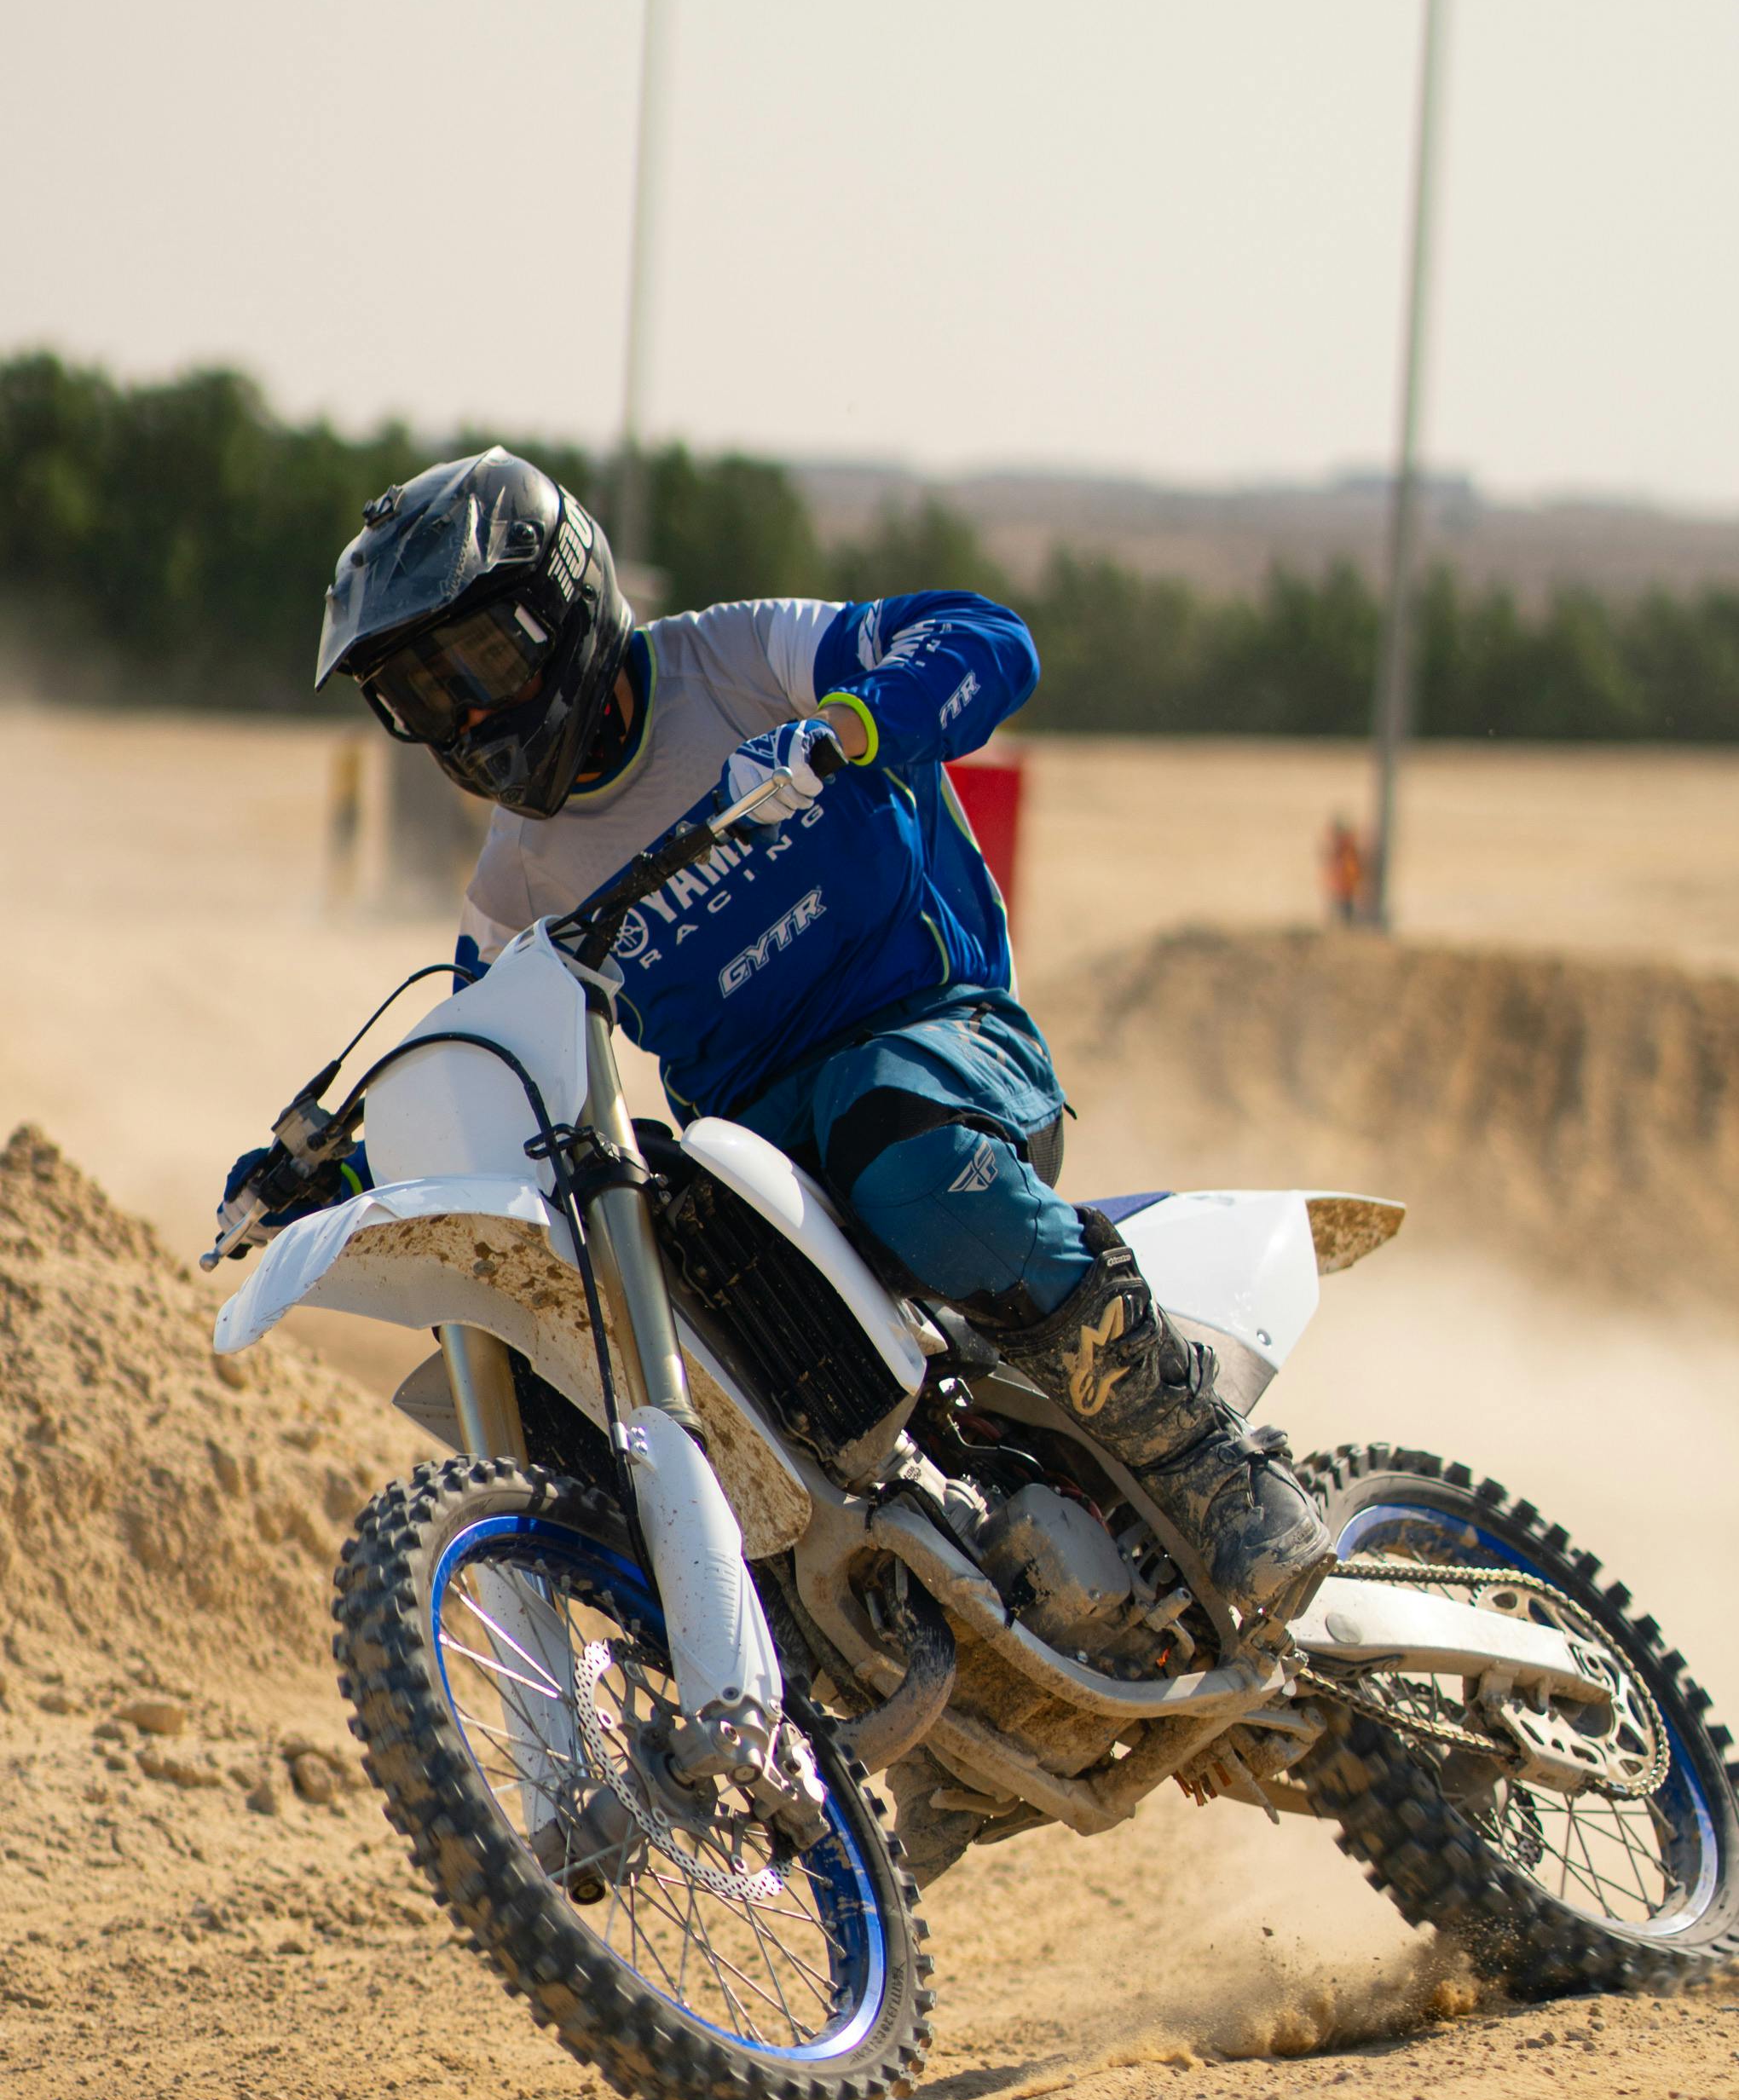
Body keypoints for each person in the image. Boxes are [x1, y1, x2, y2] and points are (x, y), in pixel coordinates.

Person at [311, 447, 1330, 1618]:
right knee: (648, 1323)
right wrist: (338, 1164)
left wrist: (857, 723)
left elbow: (987, 639)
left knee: (901, 1153)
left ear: (564, 605)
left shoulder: (737, 662)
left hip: (938, 1044)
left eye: (482, 663)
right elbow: (472, 1068)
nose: (471, 714)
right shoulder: (516, 877)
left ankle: (1214, 1469)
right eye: (426, 697)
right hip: (764, 1160)